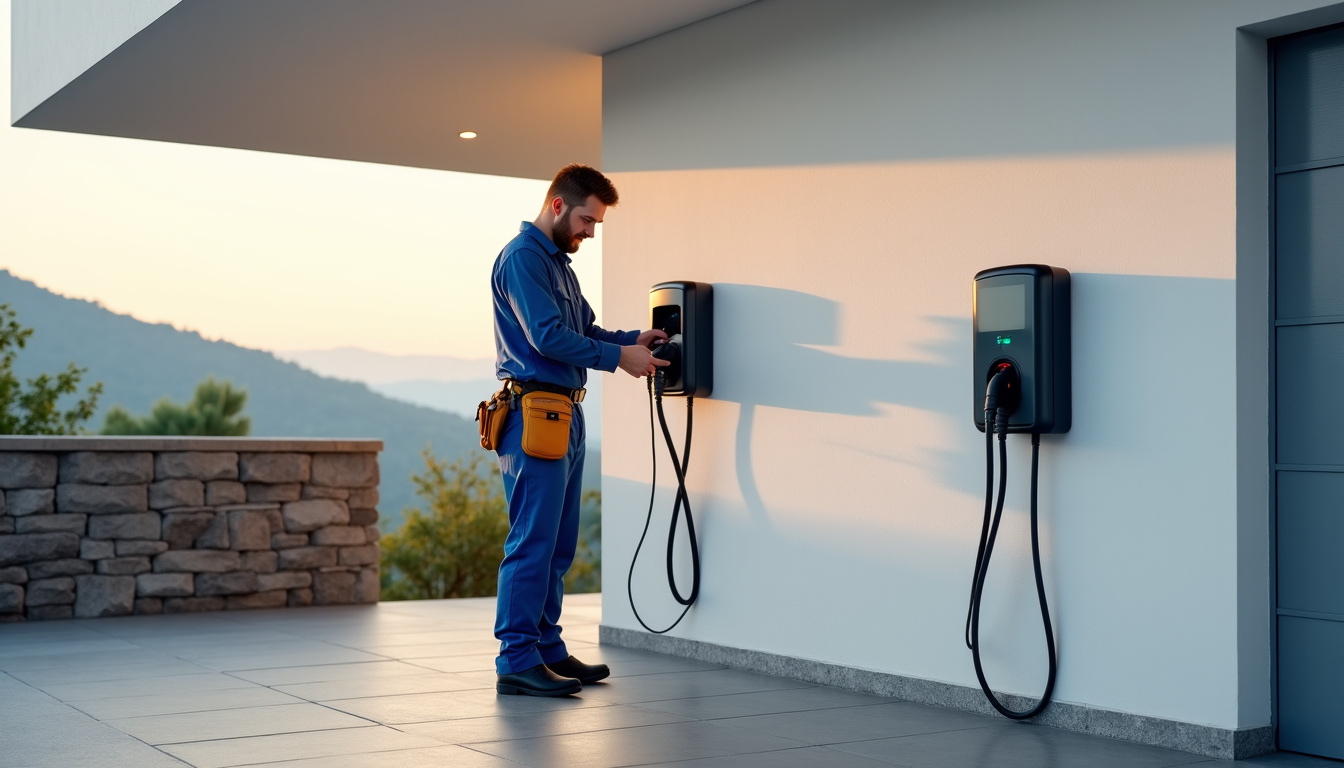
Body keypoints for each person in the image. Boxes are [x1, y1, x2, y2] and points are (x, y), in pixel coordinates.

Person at [490, 164, 669, 697]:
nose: (590, 233)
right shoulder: (523, 258)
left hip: (564, 413)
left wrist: (632, 338)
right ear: (559, 205)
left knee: (559, 544)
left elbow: (582, 330)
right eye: (588, 220)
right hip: (535, 413)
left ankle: (546, 648)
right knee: (533, 540)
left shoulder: (558, 265)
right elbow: (546, 338)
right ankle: (516, 660)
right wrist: (620, 359)